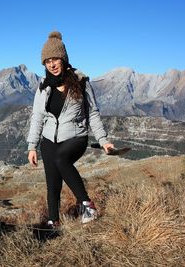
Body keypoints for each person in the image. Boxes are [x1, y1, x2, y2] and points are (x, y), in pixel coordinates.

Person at [27, 31, 114, 229]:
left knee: (61, 160)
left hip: (75, 136)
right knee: (52, 180)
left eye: (55, 59)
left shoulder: (81, 81)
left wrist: (103, 140)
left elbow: (92, 113)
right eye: (47, 61)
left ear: (63, 59)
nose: (52, 64)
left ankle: (87, 205)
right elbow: (38, 116)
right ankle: (53, 221)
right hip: (49, 139)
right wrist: (32, 146)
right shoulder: (43, 86)